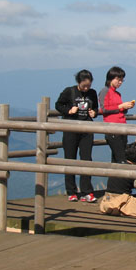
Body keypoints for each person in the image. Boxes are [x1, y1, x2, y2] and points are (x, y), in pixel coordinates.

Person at [55, 69, 99, 202]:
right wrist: (69, 111)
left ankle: (87, 191)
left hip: (86, 129)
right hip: (70, 129)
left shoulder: (92, 93)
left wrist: (94, 113)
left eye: (89, 85)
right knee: (70, 159)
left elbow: (96, 108)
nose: (86, 88)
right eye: (84, 85)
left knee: (86, 159)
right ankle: (71, 191)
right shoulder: (69, 91)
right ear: (78, 82)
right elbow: (58, 105)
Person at [98, 66, 135, 164]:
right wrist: (120, 106)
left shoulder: (117, 94)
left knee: (117, 158)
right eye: (118, 79)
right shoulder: (105, 91)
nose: (120, 82)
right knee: (120, 159)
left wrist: (126, 107)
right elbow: (104, 109)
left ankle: (114, 178)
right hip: (112, 128)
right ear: (111, 78)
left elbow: (118, 109)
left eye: (122, 80)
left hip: (122, 127)